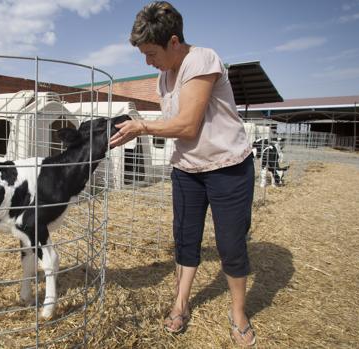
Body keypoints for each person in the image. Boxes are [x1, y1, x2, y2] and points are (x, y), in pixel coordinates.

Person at [109, 1, 256, 346]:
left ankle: (238, 313)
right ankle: (180, 303)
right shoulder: (165, 74)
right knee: (185, 240)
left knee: (231, 244)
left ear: (174, 41)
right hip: (187, 170)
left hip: (227, 167)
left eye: (150, 52)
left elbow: (188, 125)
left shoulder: (202, 60)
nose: (147, 61)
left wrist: (142, 126)